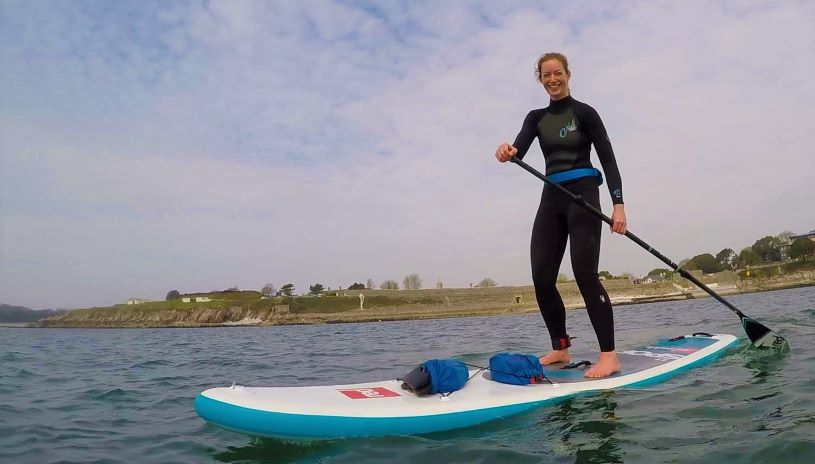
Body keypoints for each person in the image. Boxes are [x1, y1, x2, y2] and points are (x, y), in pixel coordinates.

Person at [494, 52, 627, 378]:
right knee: (541, 278)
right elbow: (518, 150)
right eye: (546, 75)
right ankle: (560, 346)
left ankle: (609, 356)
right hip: (551, 198)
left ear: (568, 74)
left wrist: (618, 204)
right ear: (540, 79)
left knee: (585, 273)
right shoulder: (535, 117)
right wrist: (506, 152)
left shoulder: (585, 113)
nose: (552, 79)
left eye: (557, 73)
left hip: (584, 196)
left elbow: (608, 159)